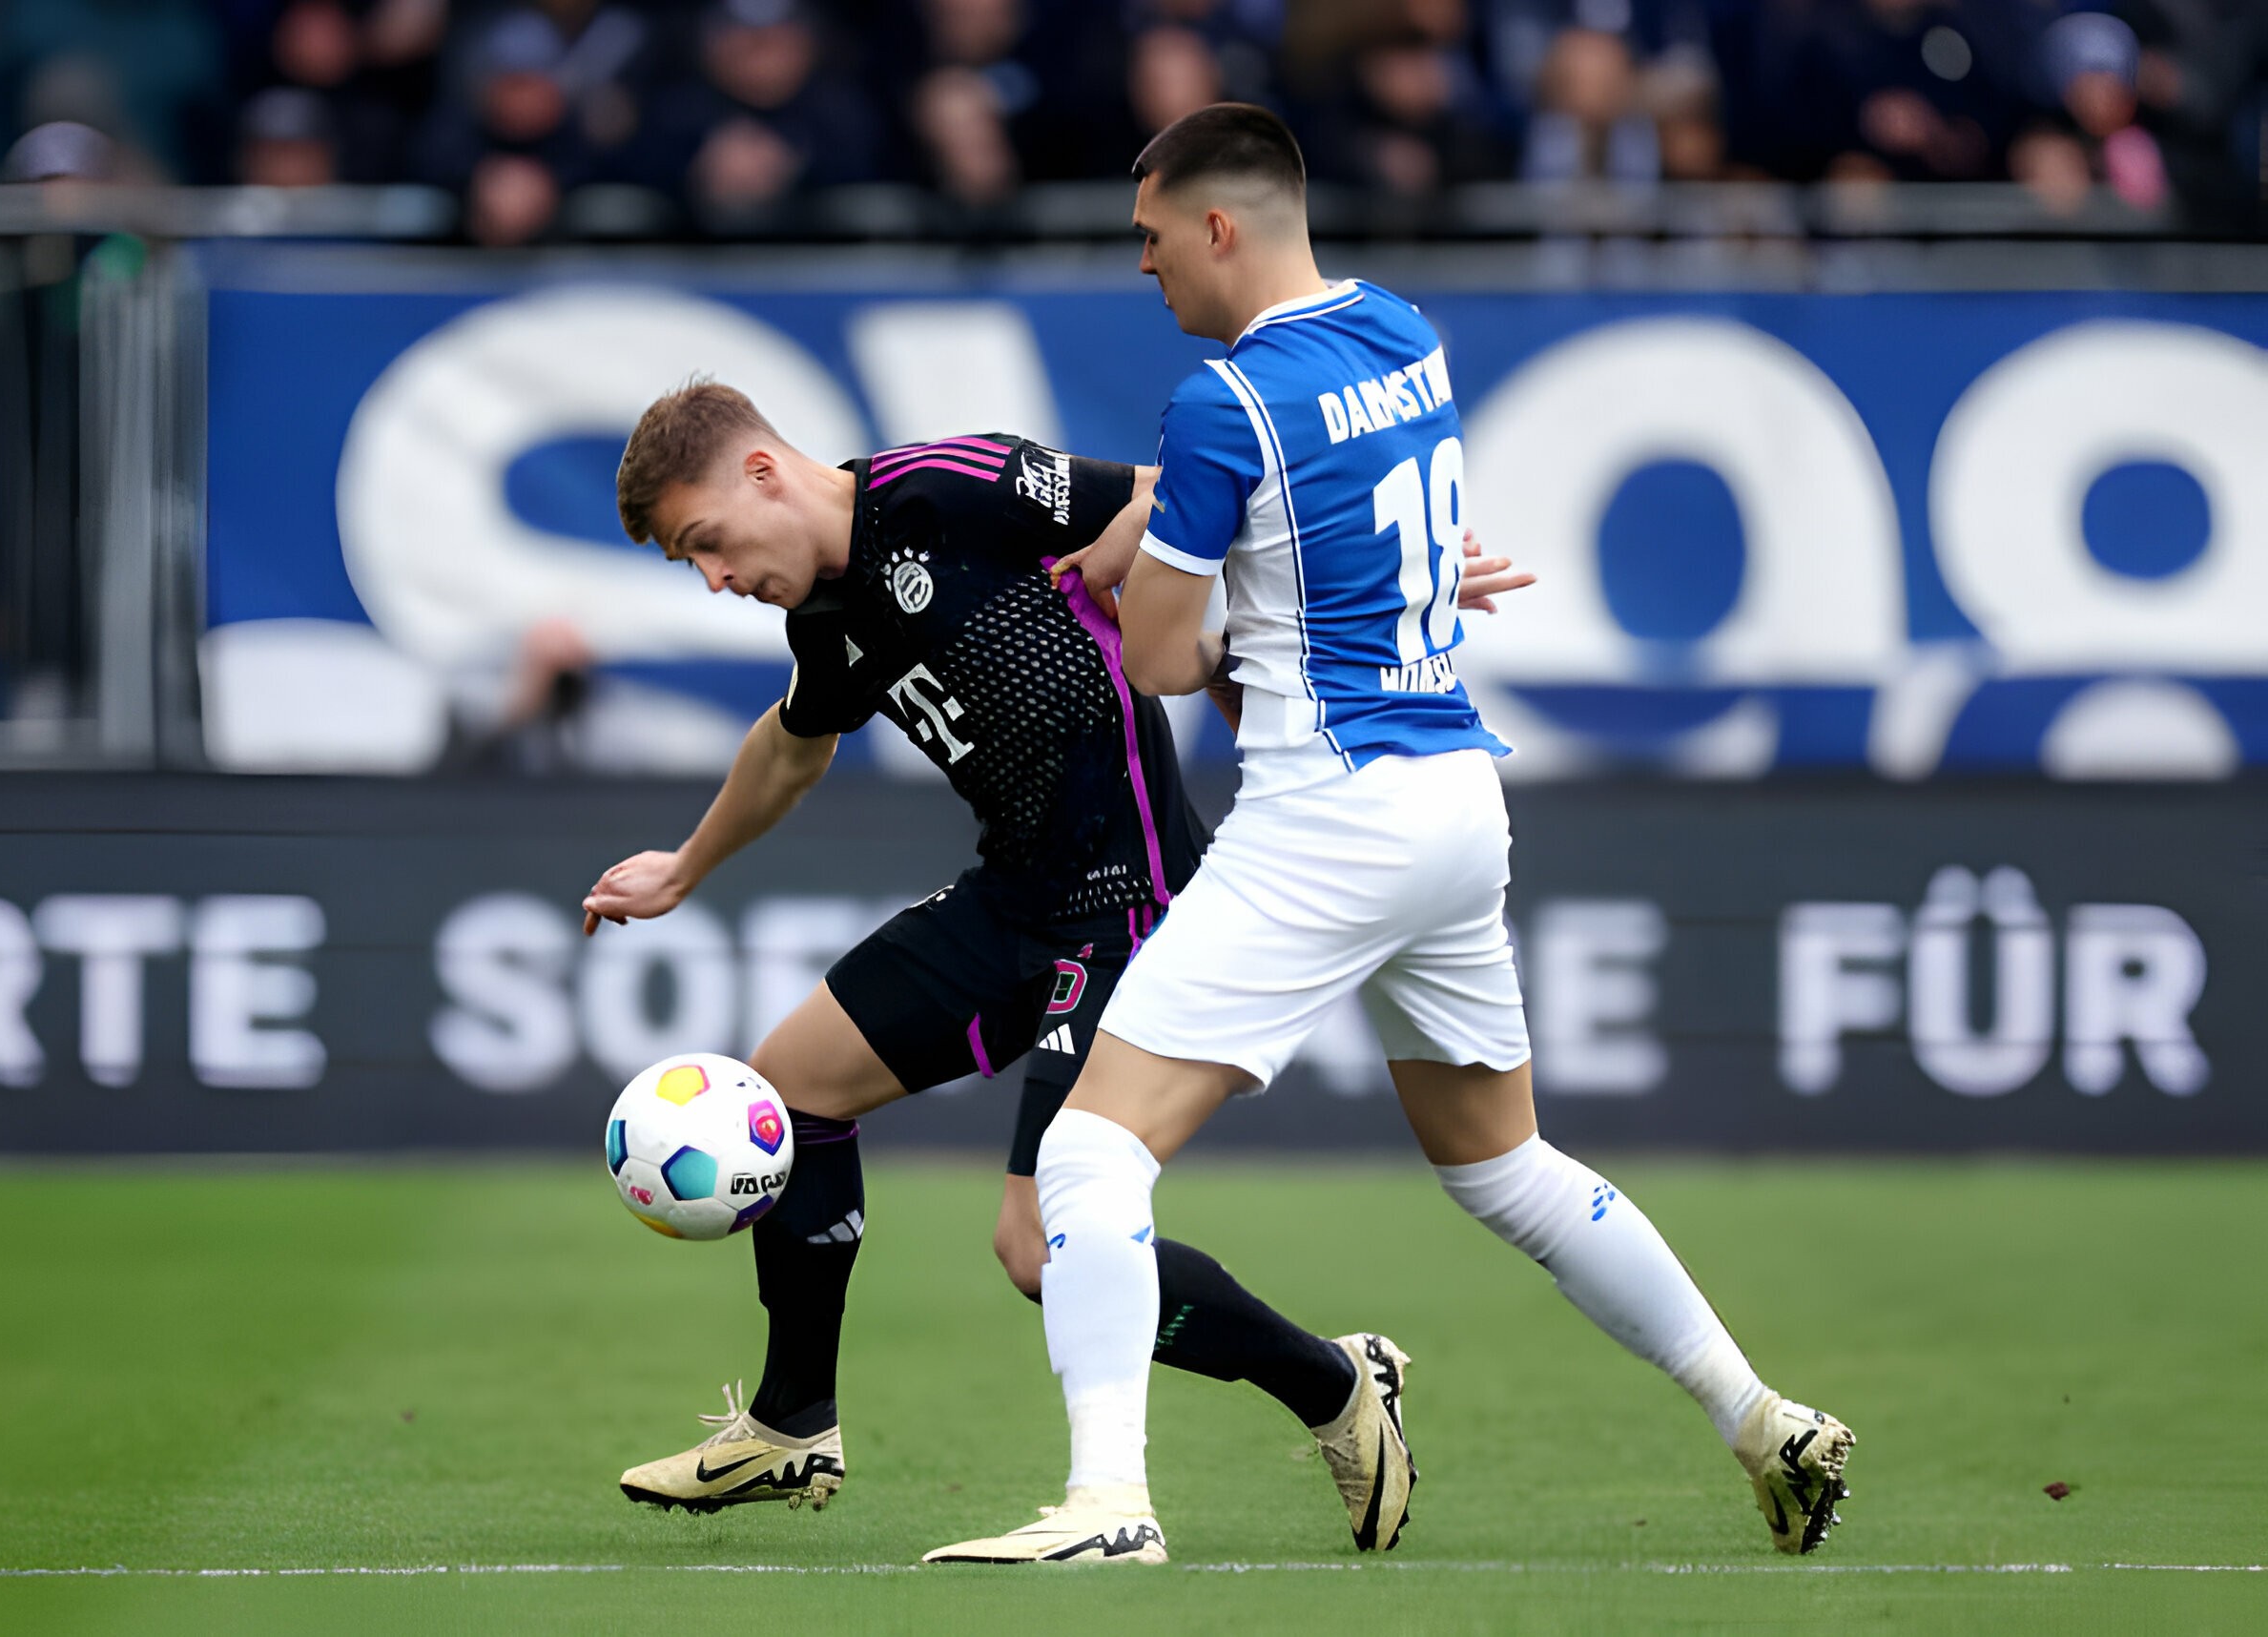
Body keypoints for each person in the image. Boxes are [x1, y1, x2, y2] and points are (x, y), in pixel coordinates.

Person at [924, 102, 1853, 1568]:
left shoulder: (1222, 404)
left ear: (1220, 226)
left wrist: (1120, 571)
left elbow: (1164, 660)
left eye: (1152, 239)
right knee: (1503, 1166)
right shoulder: (1403, 335)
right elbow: (1343, 544)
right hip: (1452, 802)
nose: (1145, 269)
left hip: (1328, 814)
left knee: (1090, 1163)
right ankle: (1761, 1416)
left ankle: (1109, 1506)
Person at [580, 381, 1532, 1546]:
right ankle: (793, 1427)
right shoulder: (824, 618)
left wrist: (1382, 594)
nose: (716, 578)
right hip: (1017, 894)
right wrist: (683, 867)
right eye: (694, 565)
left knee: (1038, 1250)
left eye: (707, 543)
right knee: (792, 1093)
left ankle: (1333, 1386)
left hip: (1128, 902)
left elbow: (1173, 498)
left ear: (765, 473)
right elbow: (794, 747)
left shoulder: (948, 489)